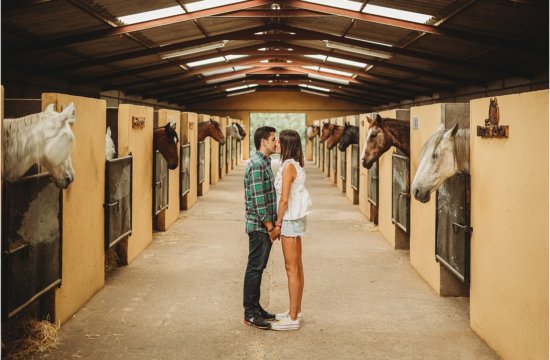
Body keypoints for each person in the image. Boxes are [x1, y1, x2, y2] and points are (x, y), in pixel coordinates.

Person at [271, 130, 312, 331]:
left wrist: (277, 224)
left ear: (287, 144)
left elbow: (284, 199)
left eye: (279, 141)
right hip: (295, 219)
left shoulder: (288, 167)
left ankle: (293, 317)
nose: (276, 143)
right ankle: (295, 311)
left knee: (291, 268)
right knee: (297, 266)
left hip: (289, 220)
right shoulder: (293, 164)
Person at [243, 126, 280, 330]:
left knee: (258, 268)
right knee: (255, 268)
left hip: (262, 226)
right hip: (259, 227)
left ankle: (255, 308)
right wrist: (270, 227)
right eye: (273, 139)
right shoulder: (257, 164)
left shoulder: (265, 162)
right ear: (263, 142)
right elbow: (259, 202)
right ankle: (250, 313)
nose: (276, 143)